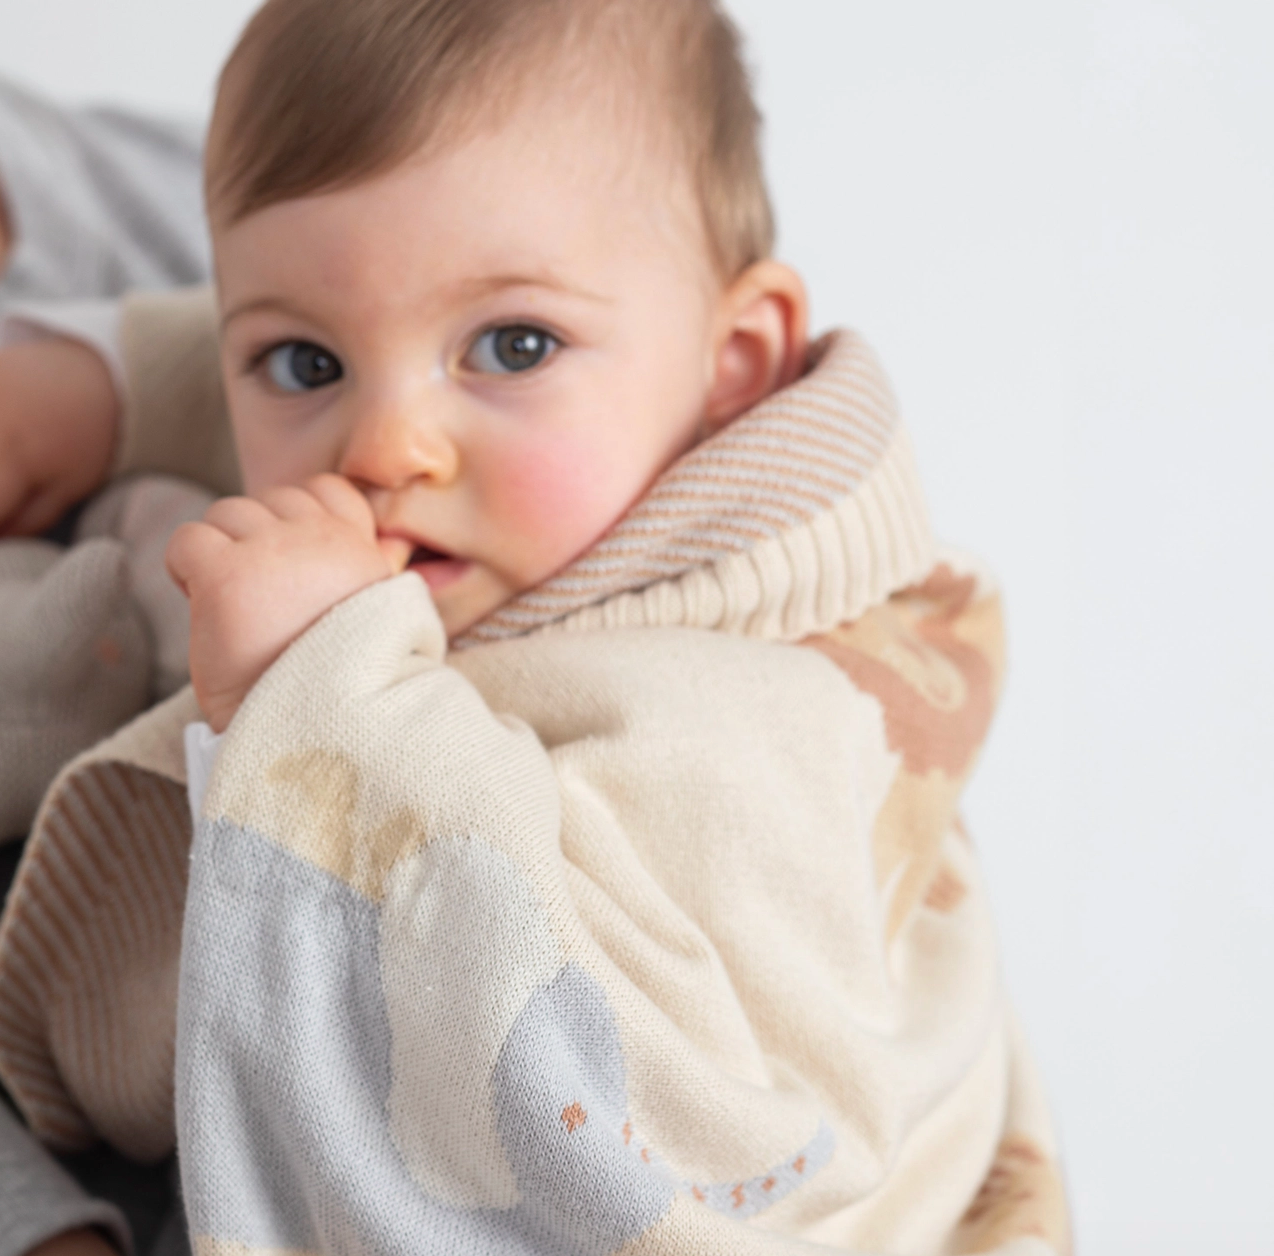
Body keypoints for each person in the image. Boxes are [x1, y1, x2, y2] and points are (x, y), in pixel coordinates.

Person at [0, 2, 1071, 1252]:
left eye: (512, 345)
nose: (383, 446)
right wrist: (114, 384)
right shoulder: (550, 480)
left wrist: (328, 699)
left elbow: (607, 1148)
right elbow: (360, 283)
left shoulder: (756, 722)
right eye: (303, 366)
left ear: (733, 364)